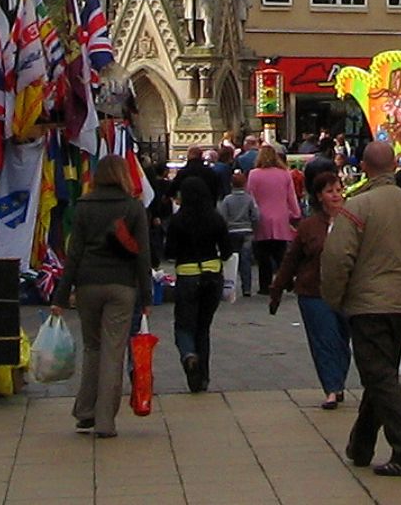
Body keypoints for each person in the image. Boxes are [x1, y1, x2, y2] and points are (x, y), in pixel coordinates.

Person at [320, 141, 401, 477]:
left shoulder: (358, 206)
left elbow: (337, 257)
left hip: (367, 303)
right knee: (380, 371)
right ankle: (361, 444)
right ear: (395, 166)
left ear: (365, 167)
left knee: (379, 375)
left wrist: (335, 297)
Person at [51, 156, 153, 437]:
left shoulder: (84, 206)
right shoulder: (133, 207)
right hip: (121, 286)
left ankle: (85, 411)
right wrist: (147, 297)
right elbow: (142, 255)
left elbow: (73, 255)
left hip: (87, 284)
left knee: (92, 348)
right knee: (113, 352)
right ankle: (105, 420)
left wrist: (60, 296)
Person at [270, 170, 352, 409]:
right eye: (330, 191)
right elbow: (291, 260)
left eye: (338, 190)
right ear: (319, 196)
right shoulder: (309, 227)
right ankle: (331, 388)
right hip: (313, 291)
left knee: (341, 341)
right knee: (324, 340)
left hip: (347, 291)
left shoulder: (353, 220)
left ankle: (338, 381)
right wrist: (277, 290)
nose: (336, 195)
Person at [165, 177, 232, 393]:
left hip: (187, 274)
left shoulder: (178, 220)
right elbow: (227, 249)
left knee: (184, 325)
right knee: (203, 327)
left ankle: (188, 355)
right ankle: (202, 377)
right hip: (212, 274)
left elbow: (169, 252)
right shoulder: (215, 218)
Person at [246, 144, 300, 295]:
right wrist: (295, 214)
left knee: (263, 256)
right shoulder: (284, 174)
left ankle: (265, 285)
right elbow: (291, 197)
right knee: (281, 254)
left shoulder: (254, 174)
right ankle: (287, 281)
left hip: (261, 218)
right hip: (280, 218)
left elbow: (251, 197)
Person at [218, 169, 261, 298]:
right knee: (246, 261)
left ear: (231, 184)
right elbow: (256, 216)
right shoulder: (249, 199)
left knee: (231, 261)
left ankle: (229, 287)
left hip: (232, 232)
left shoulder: (227, 200)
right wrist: (253, 227)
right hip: (247, 232)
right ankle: (246, 288)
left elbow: (223, 217)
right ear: (245, 184)